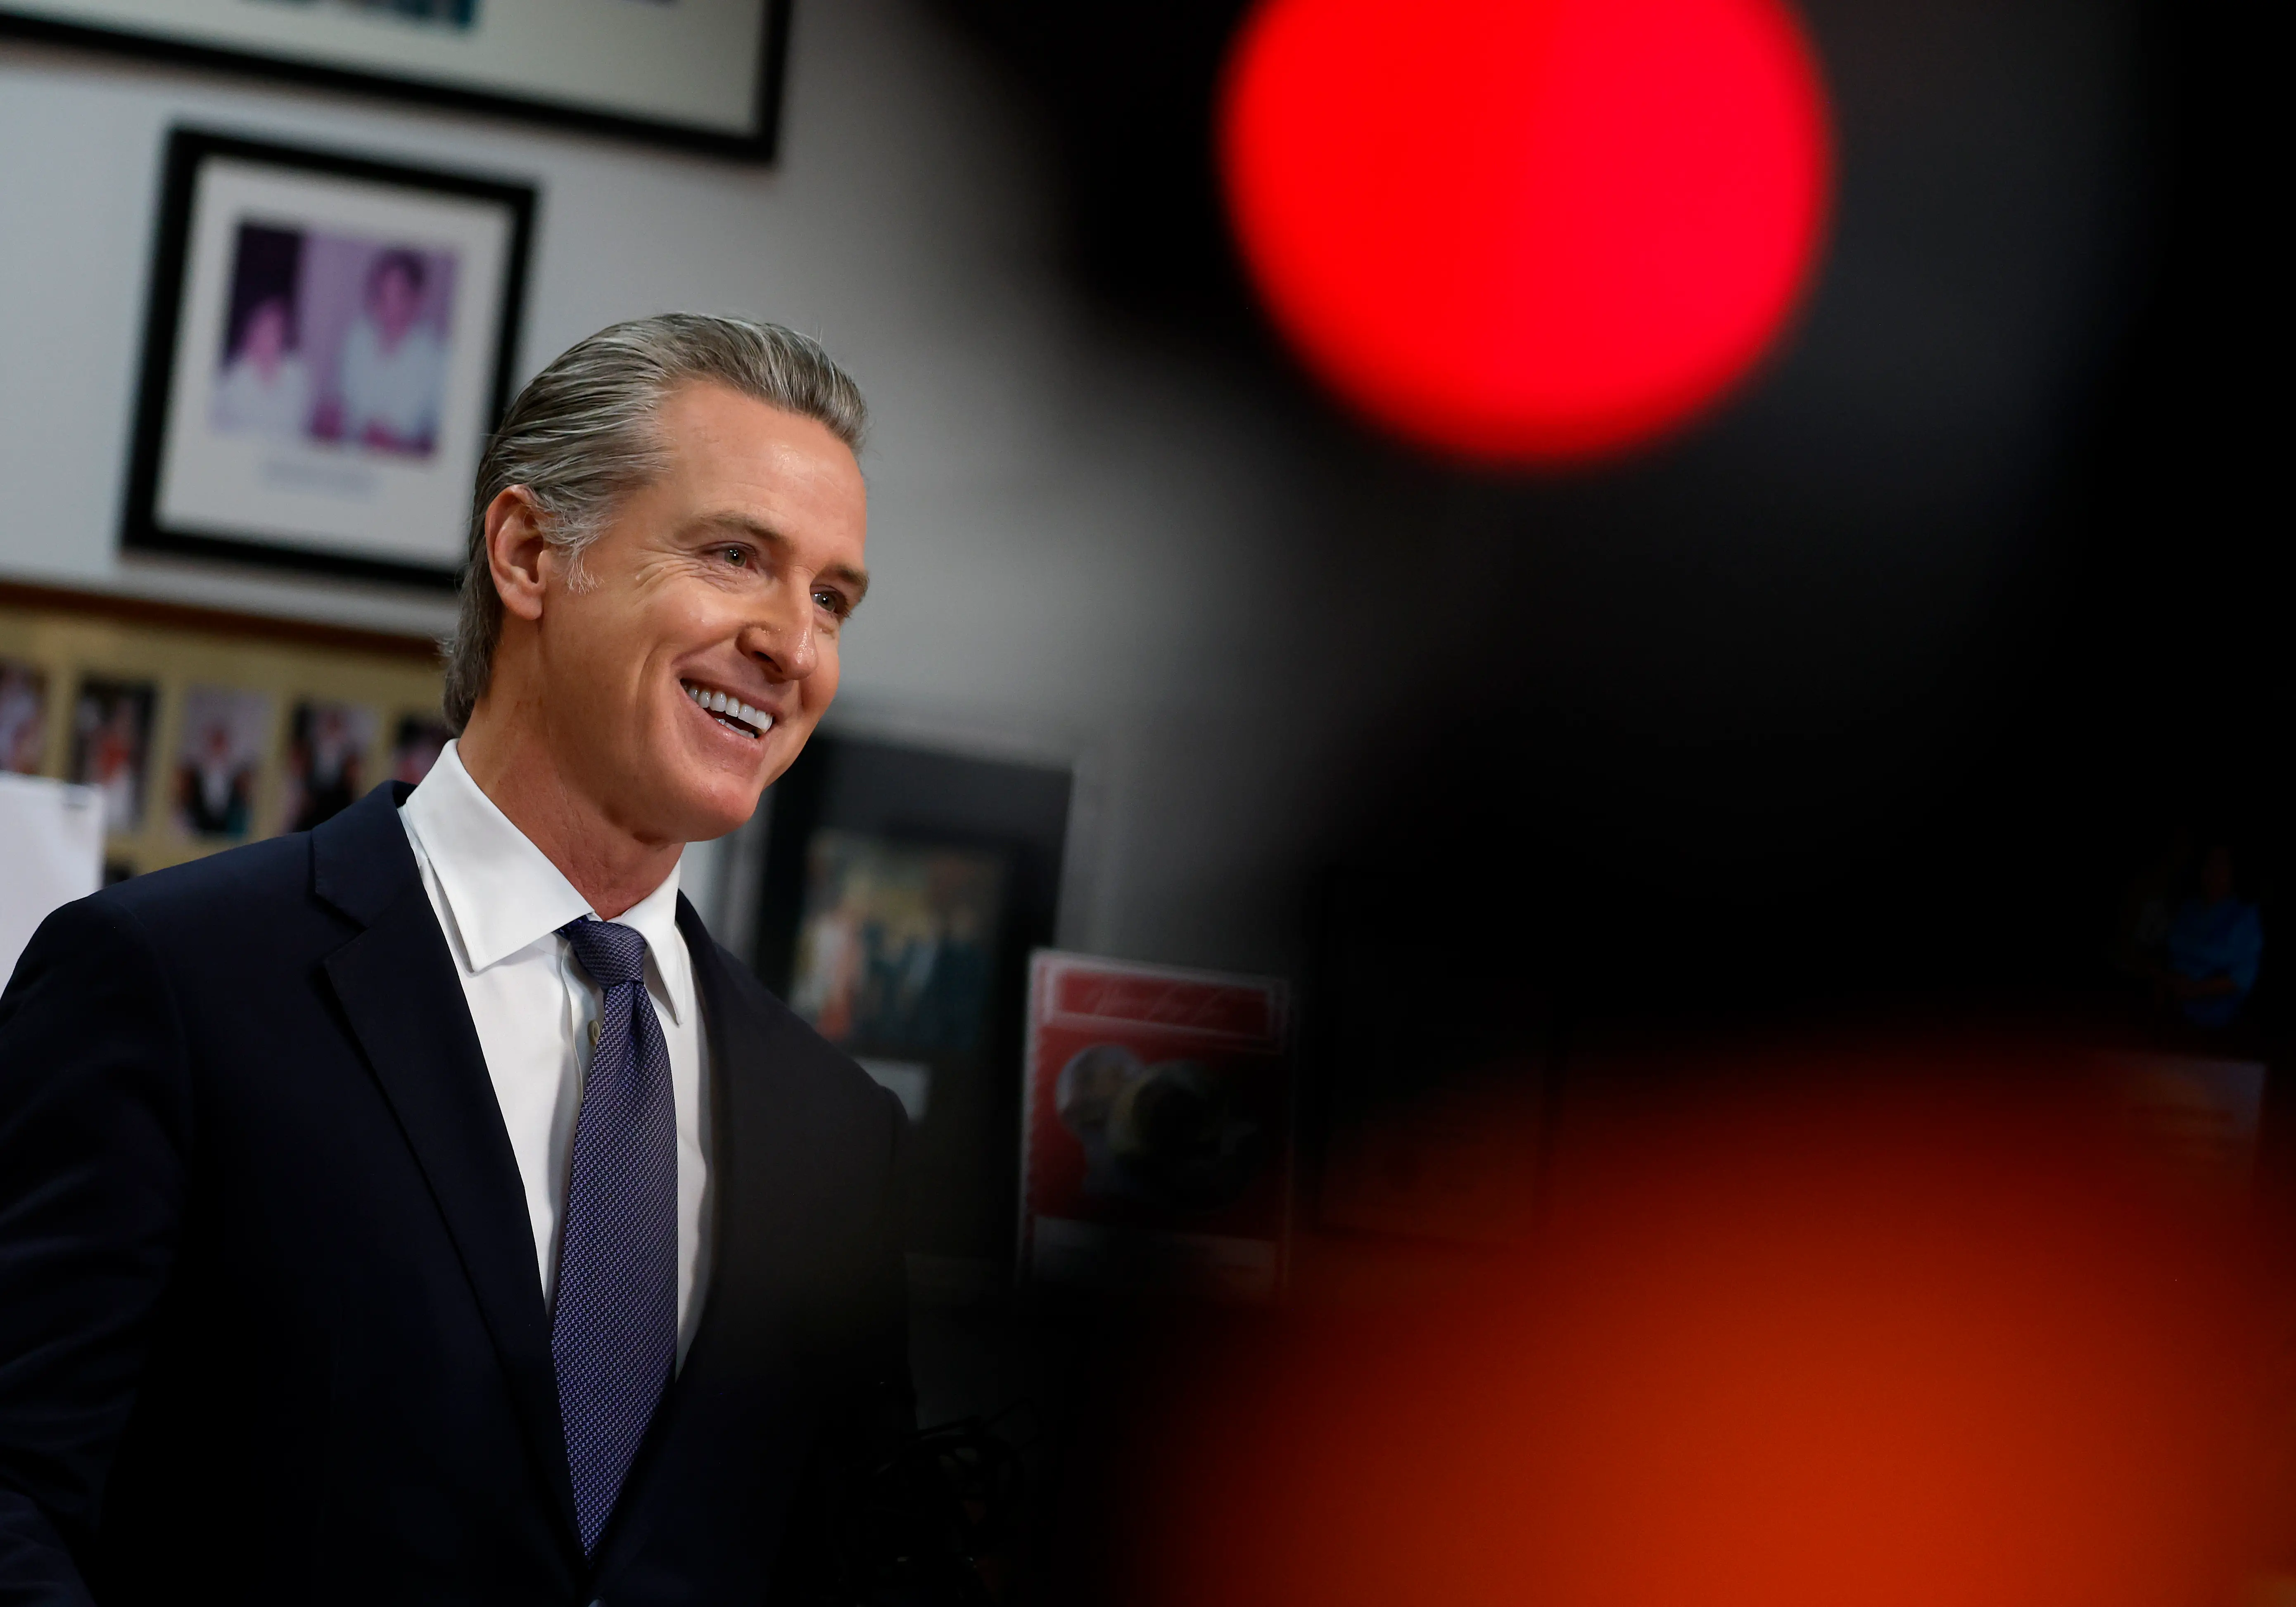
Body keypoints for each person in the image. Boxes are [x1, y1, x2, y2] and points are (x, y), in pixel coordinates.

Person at [0, 315, 906, 1602]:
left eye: (830, 599)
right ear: (529, 553)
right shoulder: (170, 982)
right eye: (734, 556)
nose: (791, 644)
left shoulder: (837, 1133)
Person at [332, 249, 446, 455]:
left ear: (417, 299)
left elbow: (441, 441)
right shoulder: (357, 337)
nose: (390, 307)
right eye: (382, 295)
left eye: (399, 296)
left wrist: (400, 445)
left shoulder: (437, 355)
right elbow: (338, 404)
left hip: (403, 465)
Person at [2161, 841, 2264, 1029]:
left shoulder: (2244, 915)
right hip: (2169, 1007)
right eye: (2209, 864)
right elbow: (2168, 953)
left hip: (2217, 1019)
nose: (2213, 872)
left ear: (2233, 872)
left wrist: (2197, 989)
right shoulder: (2188, 909)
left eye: (2221, 865)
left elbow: (2243, 977)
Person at [211, 294, 312, 441]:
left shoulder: (297, 374)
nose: (267, 337)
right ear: (251, 332)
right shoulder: (234, 373)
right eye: (262, 329)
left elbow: (300, 424)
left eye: (275, 331)